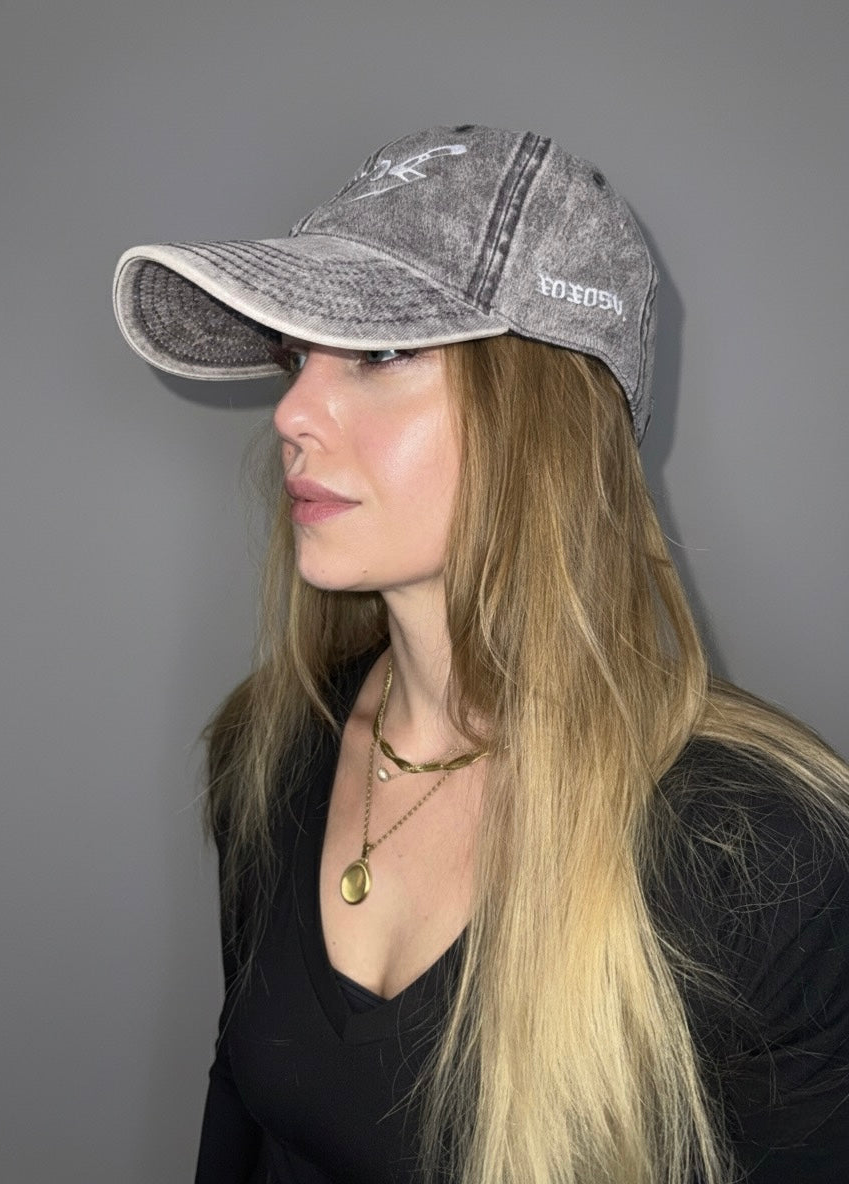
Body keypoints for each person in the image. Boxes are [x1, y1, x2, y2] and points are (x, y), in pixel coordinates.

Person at [113, 126, 849, 1184]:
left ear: (543, 411)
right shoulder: (268, 749)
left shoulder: (765, 854)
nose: (292, 411)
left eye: (379, 353)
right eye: (296, 357)